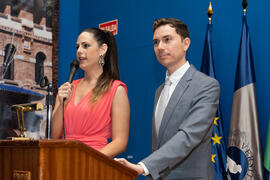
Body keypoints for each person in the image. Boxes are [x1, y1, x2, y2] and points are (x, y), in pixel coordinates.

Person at [115, 18, 220, 179]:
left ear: (186, 43)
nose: (160, 47)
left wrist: (143, 167)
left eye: (167, 40)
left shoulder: (206, 85)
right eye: (156, 42)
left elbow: (188, 137)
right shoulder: (160, 91)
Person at [52, 28, 130, 158]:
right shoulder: (67, 89)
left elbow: (120, 142)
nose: (79, 51)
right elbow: (54, 135)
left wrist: (88, 160)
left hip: (95, 165)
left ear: (102, 50)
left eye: (86, 46)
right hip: (64, 162)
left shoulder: (116, 90)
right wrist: (61, 104)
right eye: (77, 47)